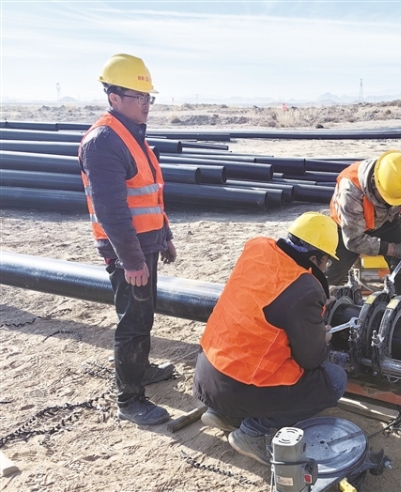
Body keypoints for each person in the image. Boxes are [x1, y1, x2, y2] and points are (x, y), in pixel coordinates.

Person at [193, 212, 348, 465]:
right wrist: (323, 335)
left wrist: (311, 305)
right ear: (314, 258)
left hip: (207, 374)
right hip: (237, 386)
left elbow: (271, 304)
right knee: (334, 380)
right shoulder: (305, 289)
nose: (326, 267)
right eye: (326, 261)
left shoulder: (258, 249)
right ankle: (252, 432)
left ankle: (223, 414)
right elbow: (311, 359)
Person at [79, 54, 177, 426]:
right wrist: (132, 260)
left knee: (143, 316)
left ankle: (142, 369)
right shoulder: (103, 141)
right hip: (127, 250)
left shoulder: (133, 135)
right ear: (114, 97)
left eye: (148, 97)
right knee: (133, 322)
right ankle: (130, 399)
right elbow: (111, 210)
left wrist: (164, 236)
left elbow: (149, 195)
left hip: (145, 244)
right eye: (139, 97)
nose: (146, 104)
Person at [326, 150, 401, 295]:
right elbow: (354, 240)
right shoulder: (351, 189)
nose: (392, 204)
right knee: (333, 272)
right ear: (375, 183)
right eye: (387, 199)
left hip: (386, 221)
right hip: (346, 228)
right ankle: (319, 300)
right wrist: (395, 249)